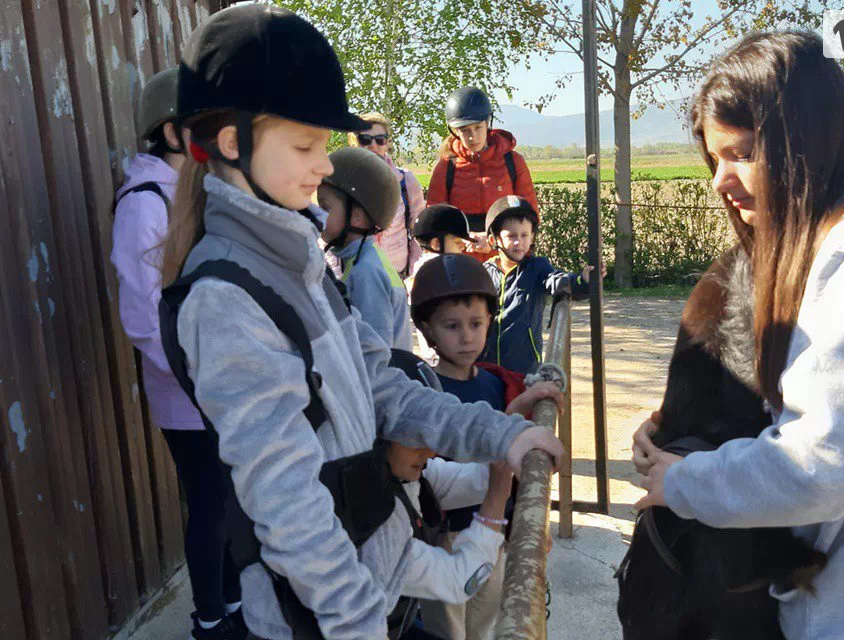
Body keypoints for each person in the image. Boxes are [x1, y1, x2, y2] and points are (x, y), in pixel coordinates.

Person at [158, 5, 564, 640]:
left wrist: (499, 436)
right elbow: (288, 505)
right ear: (232, 144)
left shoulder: (301, 265)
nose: (326, 166)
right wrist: (356, 622)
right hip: (329, 616)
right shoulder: (226, 300)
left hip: (376, 581)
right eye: (306, 145)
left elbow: (382, 383)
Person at [632, 31, 844, 640]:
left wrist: (683, 482)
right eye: (715, 159)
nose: (720, 181)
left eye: (743, 153)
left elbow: (829, 459)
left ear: (805, 142)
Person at [111, 67, 245, 640]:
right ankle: (210, 621)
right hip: (187, 389)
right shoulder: (144, 203)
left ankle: (236, 606)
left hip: (220, 380)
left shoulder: (195, 191)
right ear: (170, 131)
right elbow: (142, 317)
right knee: (210, 504)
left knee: (231, 500)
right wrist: (195, 374)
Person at [409, 254, 566, 640]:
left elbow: (500, 440)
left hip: (494, 532)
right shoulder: (423, 395)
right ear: (428, 330)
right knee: (447, 630)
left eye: (476, 324)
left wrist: (523, 402)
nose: (466, 337)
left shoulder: (497, 383)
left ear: (490, 322)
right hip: (445, 538)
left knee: (485, 623)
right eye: (452, 326)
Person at [383, 349, 513, 640]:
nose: (431, 451)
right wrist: (496, 502)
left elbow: (476, 480)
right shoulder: (371, 519)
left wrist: (514, 425)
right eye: (416, 438)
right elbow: (459, 583)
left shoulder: (404, 476)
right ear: (378, 433)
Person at [482, 195, 600, 375]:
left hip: (524, 368)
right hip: (487, 368)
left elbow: (556, 281)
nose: (518, 242)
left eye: (524, 235)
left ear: (532, 238)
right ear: (494, 240)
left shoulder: (537, 268)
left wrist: (581, 280)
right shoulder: (484, 273)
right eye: (511, 236)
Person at [426, 86, 538, 261]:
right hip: (462, 263)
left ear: (488, 124)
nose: (473, 136)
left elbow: (529, 216)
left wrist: (493, 240)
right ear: (455, 131)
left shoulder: (513, 162)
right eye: (465, 130)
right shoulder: (446, 167)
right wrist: (460, 237)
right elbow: (434, 221)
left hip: (505, 262)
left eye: (478, 127)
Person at [317, 146, 412, 350]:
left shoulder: (366, 271)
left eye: (325, 207)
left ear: (357, 217)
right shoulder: (365, 259)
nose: (318, 214)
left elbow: (374, 350)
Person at [347, 112, 424, 278]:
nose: (373, 145)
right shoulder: (341, 182)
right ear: (354, 143)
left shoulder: (406, 182)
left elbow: (419, 233)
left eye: (380, 139)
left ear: (387, 143)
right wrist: (339, 279)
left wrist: (414, 274)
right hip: (357, 276)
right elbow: (329, 237)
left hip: (398, 274)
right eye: (365, 139)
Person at [405, 204, 475, 362]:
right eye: (457, 242)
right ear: (436, 244)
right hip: (446, 357)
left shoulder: (421, 269)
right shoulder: (442, 272)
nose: (462, 247)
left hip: (434, 357)